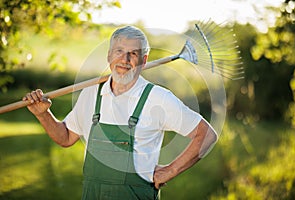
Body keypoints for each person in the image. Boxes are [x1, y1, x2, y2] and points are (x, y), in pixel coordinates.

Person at [23, 25, 218, 200]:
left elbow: (206, 134)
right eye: (119, 51)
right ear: (109, 56)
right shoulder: (91, 93)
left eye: (133, 53)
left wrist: (170, 170)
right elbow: (65, 137)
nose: (124, 60)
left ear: (144, 59)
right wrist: (42, 114)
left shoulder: (158, 98)